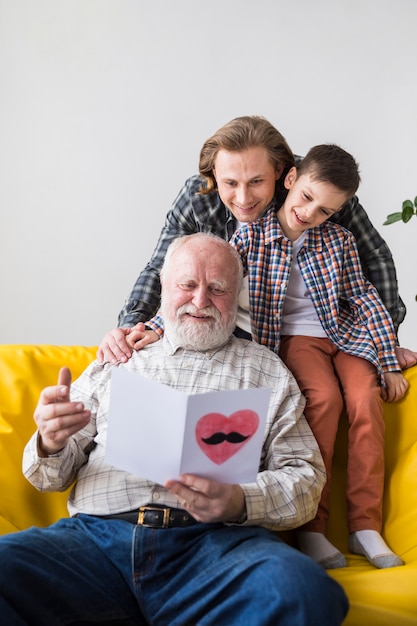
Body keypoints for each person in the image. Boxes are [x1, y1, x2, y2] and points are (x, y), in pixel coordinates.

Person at [0, 233, 349, 625]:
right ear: (164, 288)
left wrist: (238, 500)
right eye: (188, 285)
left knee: (303, 590)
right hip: (96, 544)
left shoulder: (268, 370)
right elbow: (48, 477)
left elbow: (305, 479)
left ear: (236, 296)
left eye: (217, 289)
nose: (201, 301)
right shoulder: (118, 359)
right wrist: (50, 440)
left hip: (216, 549)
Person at [97, 116, 417, 369]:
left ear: (281, 172)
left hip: (312, 328)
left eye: (257, 182)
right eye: (230, 183)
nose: (244, 198)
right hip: (228, 324)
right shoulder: (196, 197)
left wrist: (386, 344)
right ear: (213, 174)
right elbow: (161, 267)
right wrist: (131, 327)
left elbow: (374, 257)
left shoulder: (315, 186)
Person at [230, 144, 410, 570]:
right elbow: (212, 282)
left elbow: (364, 299)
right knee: (323, 400)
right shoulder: (250, 236)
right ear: (290, 180)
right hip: (295, 340)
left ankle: (365, 525)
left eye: (326, 210)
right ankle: (311, 526)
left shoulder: (339, 241)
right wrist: (152, 327)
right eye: (307, 197)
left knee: (366, 400)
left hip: (347, 336)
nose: (310, 213)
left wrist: (385, 358)